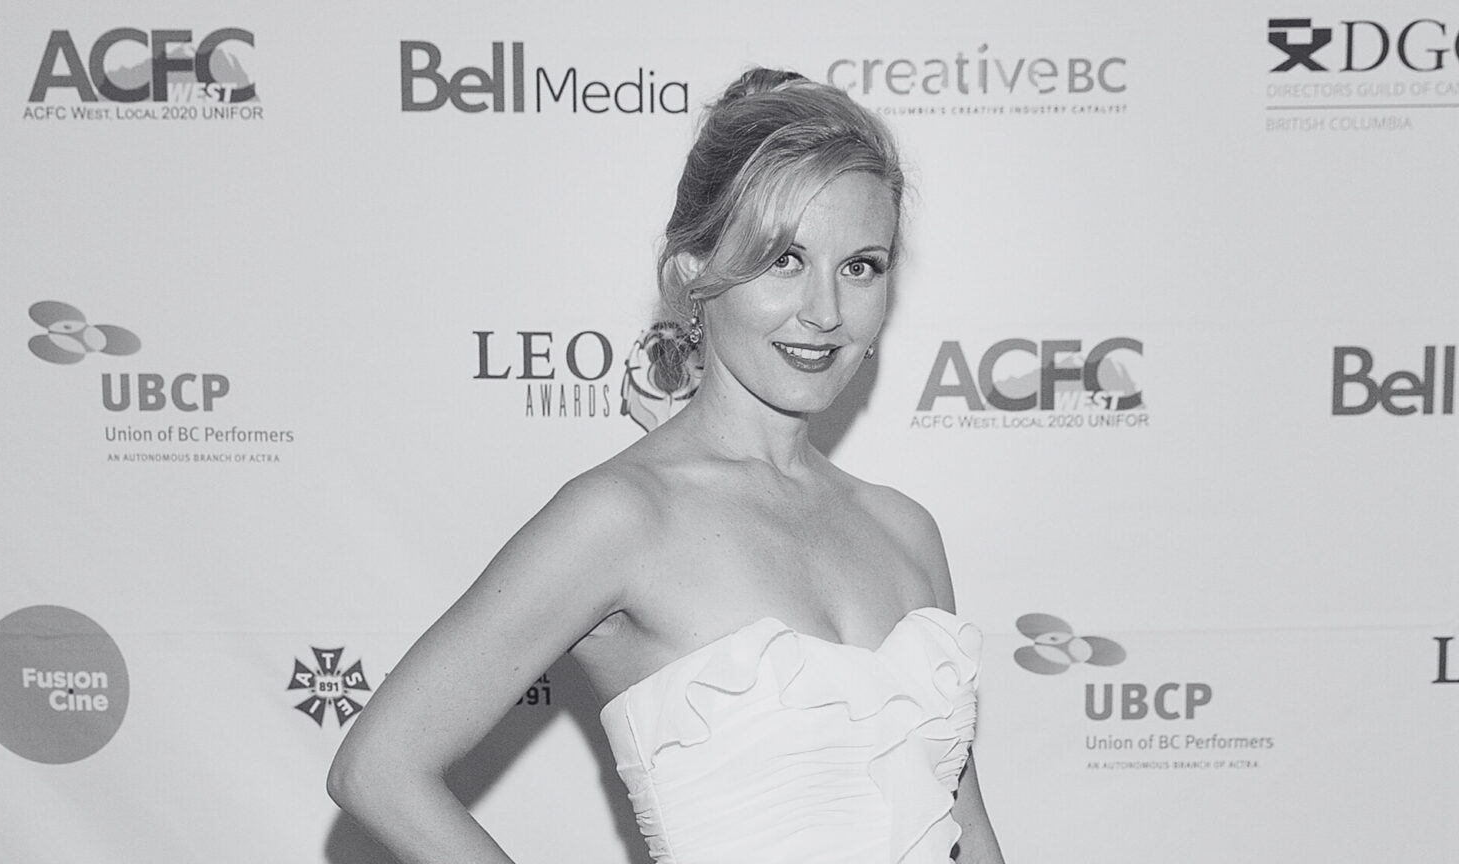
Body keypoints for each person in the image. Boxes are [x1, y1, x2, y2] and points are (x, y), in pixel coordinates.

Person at [328, 67, 1005, 864]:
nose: (825, 312)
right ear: (693, 275)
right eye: (784, 260)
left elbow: (967, 830)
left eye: (861, 266)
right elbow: (379, 770)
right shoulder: (622, 517)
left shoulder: (906, 531)